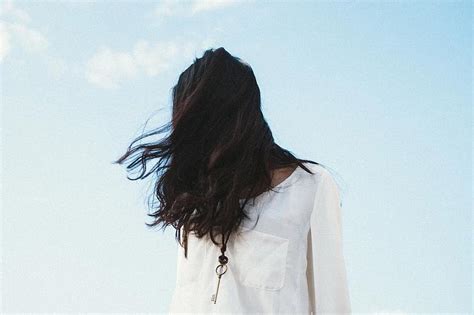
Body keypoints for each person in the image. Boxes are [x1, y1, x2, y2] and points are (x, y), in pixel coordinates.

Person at [114, 47, 351, 314]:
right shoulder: (194, 206)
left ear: (236, 118)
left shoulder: (310, 188)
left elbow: (333, 304)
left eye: (205, 125)